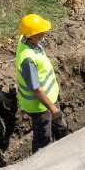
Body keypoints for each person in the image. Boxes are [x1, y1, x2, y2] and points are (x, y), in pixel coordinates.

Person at [15, 13, 68, 154]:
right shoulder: (28, 59)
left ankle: (65, 150)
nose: (45, 33)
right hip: (39, 106)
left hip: (49, 99)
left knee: (61, 126)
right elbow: (36, 89)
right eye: (41, 32)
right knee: (43, 137)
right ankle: (39, 165)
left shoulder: (26, 39)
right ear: (33, 36)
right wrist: (53, 108)